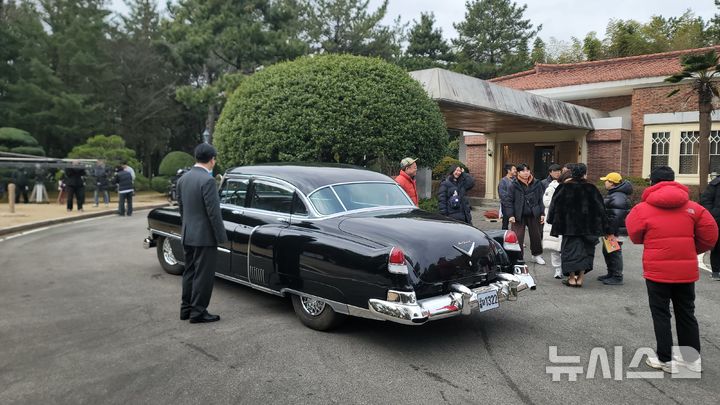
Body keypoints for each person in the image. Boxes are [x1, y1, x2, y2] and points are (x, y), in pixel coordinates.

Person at [626, 166, 717, 373]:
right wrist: (692, 250)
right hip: (685, 272)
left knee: (660, 313)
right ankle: (691, 361)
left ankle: (665, 359)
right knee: (686, 313)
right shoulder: (694, 207)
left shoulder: (641, 209)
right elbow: (710, 235)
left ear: (652, 183)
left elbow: (634, 235)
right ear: (673, 180)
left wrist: (651, 242)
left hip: (657, 270)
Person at [177, 143, 228, 324]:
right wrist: (221, 238)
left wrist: (187, 227)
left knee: (189, 272)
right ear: (212, 160)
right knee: (203, 276)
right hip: (204, 237)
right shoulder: (207, 181)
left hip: (188, 233)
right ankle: (198, 312)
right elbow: (214, 213)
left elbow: (181, 208)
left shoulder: (183, 179)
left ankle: (186, 309)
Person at [547, 163, 608, 287]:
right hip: (588, 227)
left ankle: (571, 278)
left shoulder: (563, 187)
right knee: (585, 252)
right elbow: (601, 209)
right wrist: (605, 226)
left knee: (569, 251)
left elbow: (554, 206)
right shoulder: (591, 188)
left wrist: (551, 220)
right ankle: (580, 278)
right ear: (585, 173)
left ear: (571, 173)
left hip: (569, 227)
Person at [502, 163, 545, 264]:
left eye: (527, 170)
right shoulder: (513, 184)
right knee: (518, 236)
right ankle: (518, 257)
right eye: (523, 171)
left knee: (536, 236)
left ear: (530, 171)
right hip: (518, 215)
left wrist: (542, 213)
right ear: (519, 172)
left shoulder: (537, 183)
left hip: (534, 213)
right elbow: (508, 201)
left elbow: (541, 199)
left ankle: (537, 255)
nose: (526, 173)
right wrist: (511, 215)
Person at [598, 172, 632, 285]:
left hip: (614, 231)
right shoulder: (616, 194)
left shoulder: (617, 196)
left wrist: (610, 232)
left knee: (614, 252)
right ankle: (611, 273)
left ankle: (617, 276)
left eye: (606, 181)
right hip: (613, 230)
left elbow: (616, 216)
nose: (605, 183)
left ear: (612, 183)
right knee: (608, 251)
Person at [542, 170, 570, 279]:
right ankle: (558, 269)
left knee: (565, 248)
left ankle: (566, 269)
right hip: (553, 221)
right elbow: (546, 202)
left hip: (566, 222)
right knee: (554, 248)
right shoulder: (552, 187)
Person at [700, 173, 720, 280]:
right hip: (717, 220)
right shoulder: (715, 184)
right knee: (717, 247)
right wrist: (713, 214)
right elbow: (705, 200)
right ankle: (716, 271)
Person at [498, 163, 516, 230]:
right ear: (509, 171)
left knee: (515, 223)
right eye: (514, 169)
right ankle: (504, 237)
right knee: (505, 223)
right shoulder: (503, 181)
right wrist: (509, 202)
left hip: (515, 205)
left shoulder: (516, 180)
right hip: (506, 205)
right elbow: (502, 195)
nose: (515, 171)